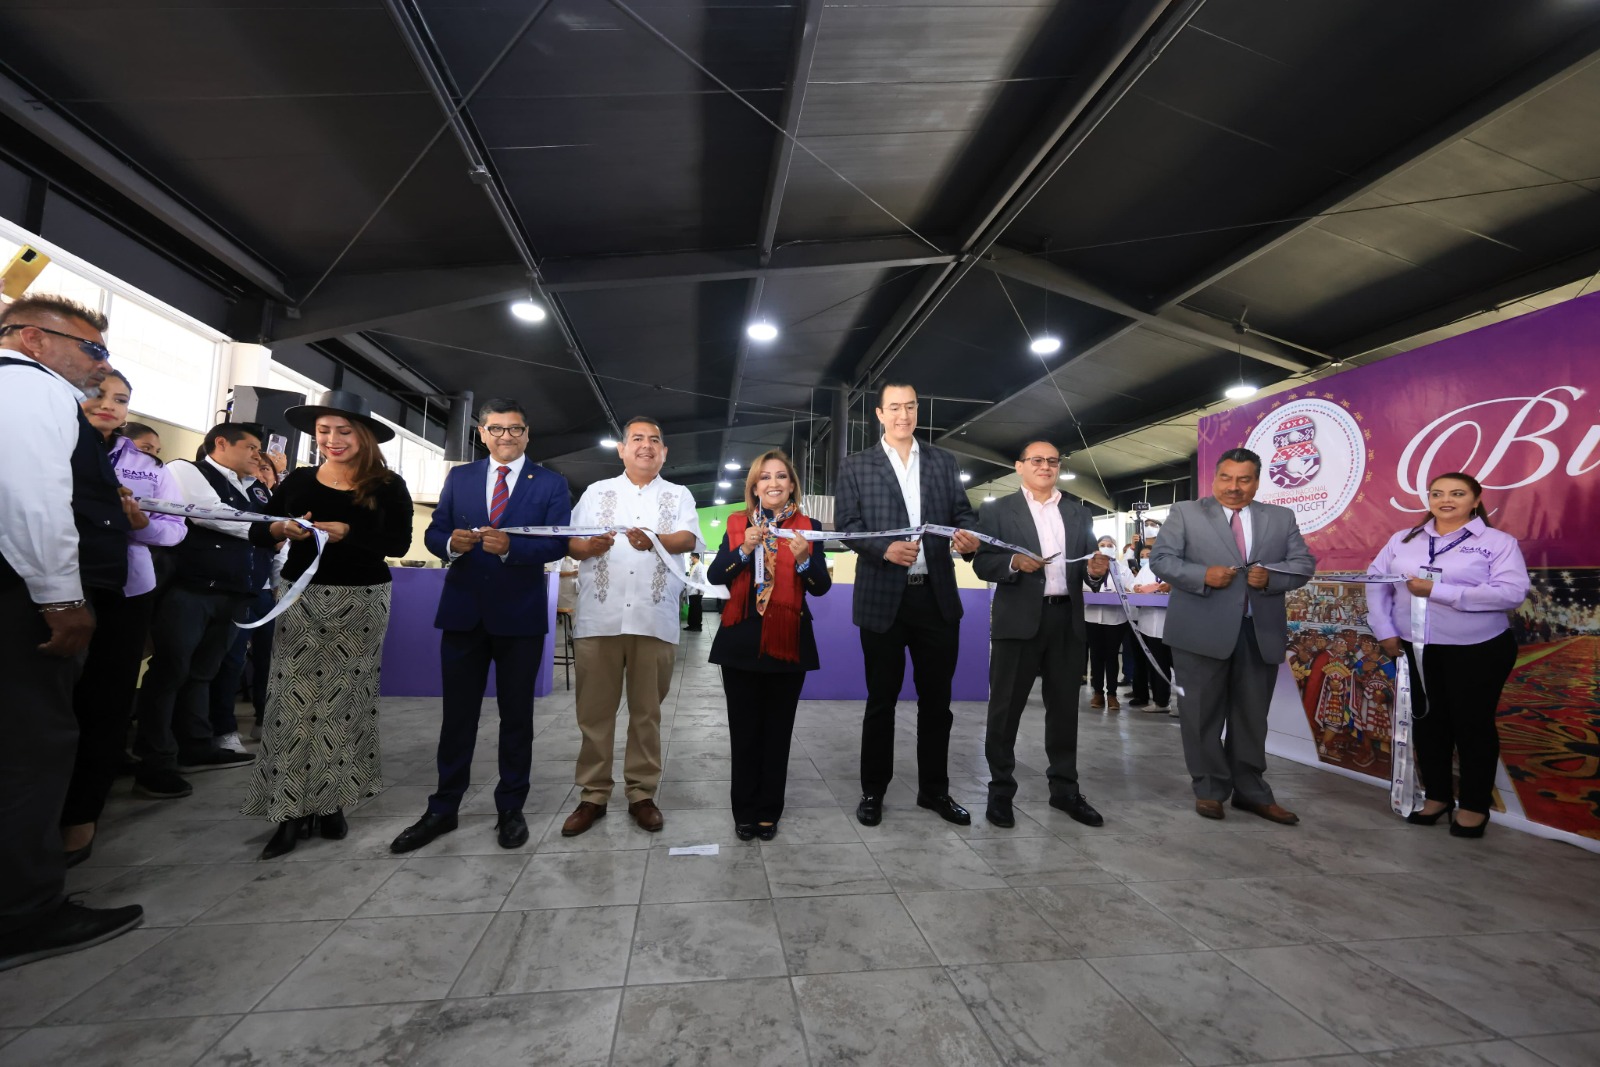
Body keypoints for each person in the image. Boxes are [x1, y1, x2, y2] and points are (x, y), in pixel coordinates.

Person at [0, 294, 144, 970]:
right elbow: (31, 499)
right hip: (20, 599)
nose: (100, 365)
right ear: (32, 338)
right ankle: (23, 912)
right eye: (91, 349)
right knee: (31, 747)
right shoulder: (31, 387)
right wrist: (61, 596)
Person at [391, 398, 571, 854]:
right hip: (463, 612)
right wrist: (450, 543)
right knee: (457, 717)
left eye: (515, 429)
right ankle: (443, 807)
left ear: (527, 433)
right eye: (496, 429)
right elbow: (435, 532)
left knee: (517, 718)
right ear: (482, 433)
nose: (506, 436)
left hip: (520, 616)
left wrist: (511, 548)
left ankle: (510, 808)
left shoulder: (550, 483)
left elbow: (557, 543)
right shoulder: (461, 478)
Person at [243, 390, 413, 859]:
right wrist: (281, 529)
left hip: (361, 602)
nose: (333, 440)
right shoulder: (299, 480)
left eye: (343, 431)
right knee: (291, 705)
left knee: (345, 703)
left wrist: (349, 532)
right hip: (300, 598)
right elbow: (259, 527)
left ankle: (332, 801)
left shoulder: (387, 485)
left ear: (363, 436)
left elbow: (398, 543)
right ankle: (288, 811)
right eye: (323, 431)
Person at [834, 382, 981, 827]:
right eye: (895, 407)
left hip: (936, 598)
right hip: (882, 600)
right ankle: (873, 791)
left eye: (911, 407)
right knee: (881, 701)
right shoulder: (856, 465)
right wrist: (883, 549)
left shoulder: (942, 461)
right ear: (879, 414)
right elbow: (847, 525)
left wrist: (969, 537)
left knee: (937, 703)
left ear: (918, 411)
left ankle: (934, 791)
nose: (904, 415)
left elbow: (963, 513)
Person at [60, 369, 187, 865]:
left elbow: (174, 529)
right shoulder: (52, 443)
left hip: (127, 590)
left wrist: (141, 525)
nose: (108, 405)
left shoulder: (148, 467)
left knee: (106, 702)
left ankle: (81, 816)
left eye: (121, 399)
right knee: (50, 701)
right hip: (59, 583)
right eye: (97, 394)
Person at [1150, 447, 1315, 824]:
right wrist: (1202, 575)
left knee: (1252, 718)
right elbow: (1161, 560)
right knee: (1201, 715)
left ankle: (1251, 791)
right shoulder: (1186, 513)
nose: (1234, 487)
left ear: (1257, 482)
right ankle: (1209, 789)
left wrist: (1273, 577)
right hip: (1199, 632)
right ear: (1215, 478)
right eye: (1226, 478)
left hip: (1259, 632)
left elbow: (1303, 564)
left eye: (1244, 479)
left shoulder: (1280, 517)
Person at [1364, 472, 1528, 838]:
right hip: (1416, 647)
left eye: (1457, 493)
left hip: (1478, 648)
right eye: (1437, 493)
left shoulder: (1498, 542)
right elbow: (1376, 583)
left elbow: (1511, 593)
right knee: (1428, 723)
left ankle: (1474, 805)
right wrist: (1385, 630)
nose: (1446, 500)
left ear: (1476, 500)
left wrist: (1439, 591)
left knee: (1472, 725)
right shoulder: (1403, 539)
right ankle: (1437, 796)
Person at [559, 416, 700, 836]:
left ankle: (641, 794)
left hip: (654, 618)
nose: (646, 445)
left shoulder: (679, 494)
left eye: (654, 440)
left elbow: (688, 539)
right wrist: (590, 546)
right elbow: (572, 542)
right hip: (599, 618)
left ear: (664, 453)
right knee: (594, 713)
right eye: (637, 439)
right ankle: (593, 794)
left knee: (646, 714)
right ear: (621, 449)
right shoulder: (596, 492)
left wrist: (654, 539)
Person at [972, 441, 1108, 829]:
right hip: (1018, 621)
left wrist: (1095, 571)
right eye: (1036, 460)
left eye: (1052, 461)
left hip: (1067, 620)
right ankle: (1000, 792)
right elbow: (982, 562)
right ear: (1020, 467)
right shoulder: (997, 510)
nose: (1045, 466)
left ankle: (1065, 790)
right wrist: (1014, 562)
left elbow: (1087, 567)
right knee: (1005, 710)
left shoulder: (1079, 512)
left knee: (1064, 710)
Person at [133, 422, 270, 799]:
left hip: (235, 593)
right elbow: (208, 513)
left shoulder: (255, 488)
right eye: (251, 447)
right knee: (170, 671)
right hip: (190, 591)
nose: (257, 455)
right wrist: (267, 530)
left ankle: (195, 744)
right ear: (221, 443)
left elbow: (270, 538)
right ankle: (154, 761)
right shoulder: (186, 470)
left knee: (203, 672)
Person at [708, 450, 831, 839]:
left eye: (781, 476)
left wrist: (804, 560)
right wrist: (744, 549)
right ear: (754, 487)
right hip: (741, 642)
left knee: (778, 734)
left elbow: (820, 587)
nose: (773, 483)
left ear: (791, 484)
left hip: (788, 642)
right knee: (744, 733)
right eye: (765, 477)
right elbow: (716, 575)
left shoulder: (808, 528)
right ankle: (744, 811)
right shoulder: (737, 523)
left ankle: (769, 811)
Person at [1084, 534, 1135, 710]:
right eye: (1102, 544)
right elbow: (1082, 586)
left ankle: (1112, 694)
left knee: (1112, 656)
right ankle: (1098, 692)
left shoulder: (1123, 569)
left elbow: (1132, 588)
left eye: (1110, 545)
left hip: (1116, 619)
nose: (1106, 547)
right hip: (1092, 617)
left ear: (1115, 548)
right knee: (1095, 655)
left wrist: (1128, 590)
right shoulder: (1088, 567)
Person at [1127, 543, 1174, 713]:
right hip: (1148, 624)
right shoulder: (1146, 569)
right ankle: (1161, 701)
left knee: (1177, 665)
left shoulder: (1174, 567)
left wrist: (1171, 587)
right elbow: (1134, 584)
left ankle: (1185, 704)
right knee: (1156, 664)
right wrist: (1136, 588)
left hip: (1170, 623)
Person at [684, 552, 707, 632]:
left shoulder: (700, 566)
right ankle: (691, 625)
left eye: (691, 557)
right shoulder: (694, 566)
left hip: (697, 591)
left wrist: (698, 589)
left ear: (694, 557)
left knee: (696, 609)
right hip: (692, 591)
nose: (690, 559)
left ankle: (697, 626)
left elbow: (702, 579)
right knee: (692, 608)